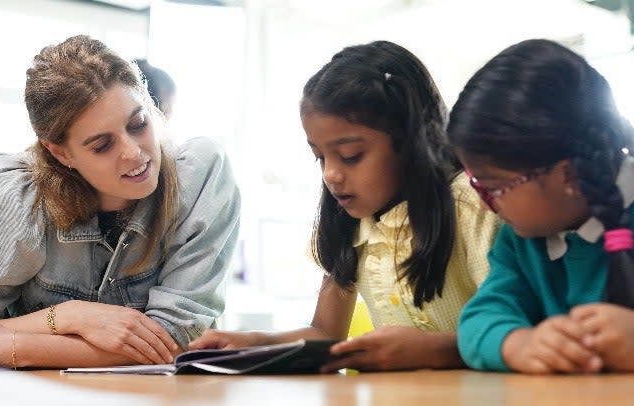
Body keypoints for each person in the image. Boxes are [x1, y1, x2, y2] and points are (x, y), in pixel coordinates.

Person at [0, 35, 241, 369]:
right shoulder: (16, 197)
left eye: (138, 124)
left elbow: (172, 340)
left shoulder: (200, 175)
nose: (133, 153)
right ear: (60, 152)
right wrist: (71, 317)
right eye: (102, 145)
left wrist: (14, 345)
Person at [189, 40, 499, 372]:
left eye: (351, 156)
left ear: (410, 141)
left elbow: (516, 331)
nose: (331, 175)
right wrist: (257, 343)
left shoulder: (470, 205)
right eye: (319, 157)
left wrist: (436, 351)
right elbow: (325, 332)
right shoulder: (351, 222)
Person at [449, 39, 634, 374]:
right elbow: (479, 319)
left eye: (493, 187)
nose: (485, 204)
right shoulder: (521, 242)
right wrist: (518, 343)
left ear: (567, 175)